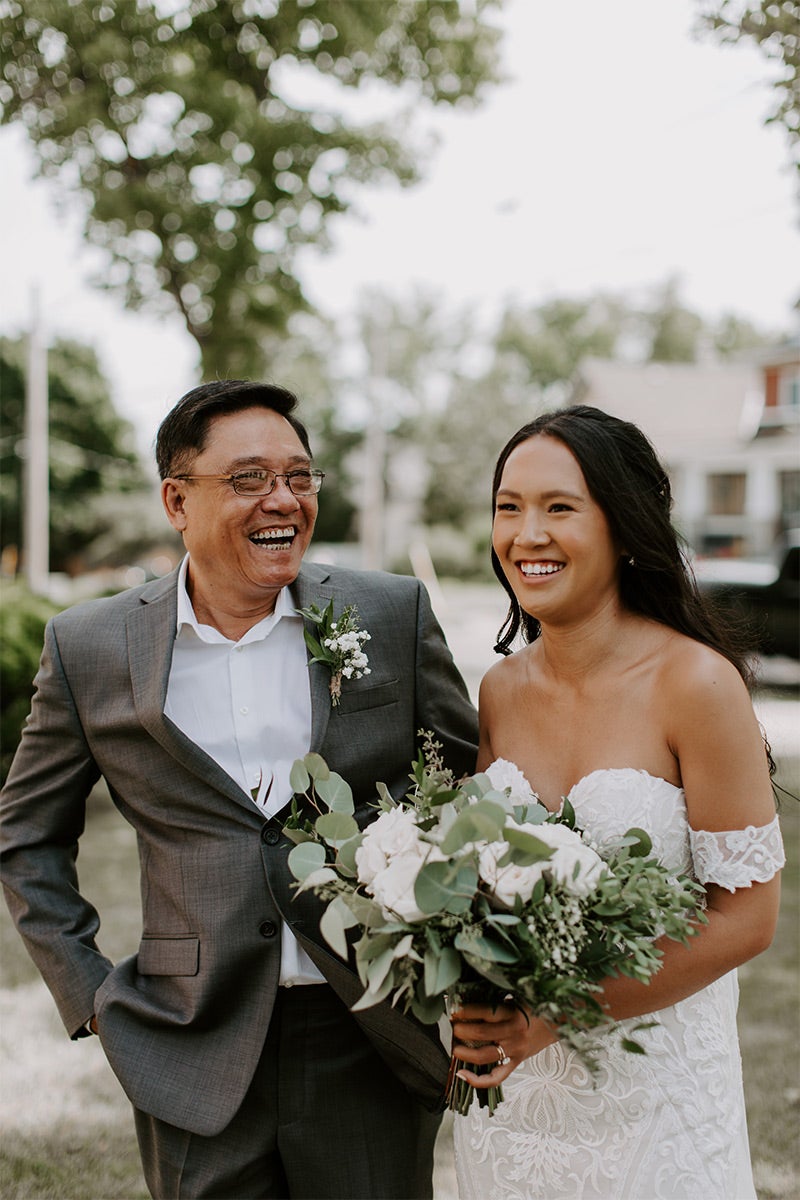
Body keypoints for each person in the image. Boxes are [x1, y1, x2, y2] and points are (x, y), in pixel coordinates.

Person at [1, 380, 478, 1200]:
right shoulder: (90, 647)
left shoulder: (390, 611)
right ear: (177, 500)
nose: (284, 500)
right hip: (189, 1041)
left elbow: (468, 788)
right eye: (250, 479)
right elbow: (26, 837)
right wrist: (91, 997)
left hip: (368, 1029)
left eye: (300, 477)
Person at [449, 405, 785, 1200]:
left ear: (626, 528)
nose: (526, 534)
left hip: (655, 1100)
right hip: (515, 1113)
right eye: (509, 507)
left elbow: (747, 918)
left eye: (559, 508)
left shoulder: (696, 684)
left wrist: (558, 1015)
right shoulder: (499, 690)